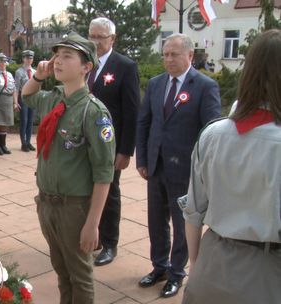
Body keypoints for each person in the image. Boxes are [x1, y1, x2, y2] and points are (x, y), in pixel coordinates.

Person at [181, 29, 281, 304]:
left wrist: (197, 266)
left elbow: (193, 211)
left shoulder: (212, 134)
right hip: (267, 272)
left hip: (212, 263)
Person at [22, 32, 115, 304]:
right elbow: (27, 97)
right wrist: (39, 76)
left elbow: (103, 174)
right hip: (47, 204)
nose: (58, 61)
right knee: (62, 271)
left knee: (80, 276)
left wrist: (93, 224)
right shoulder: (55, 98)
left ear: (86, 67)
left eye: (67, 56)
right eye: (57, 55)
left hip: (75, 208)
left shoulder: (93, 112)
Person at [135, 33, 221, 298]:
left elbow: (211, 131)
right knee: (156, 220)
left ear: (190, 56)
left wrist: (202, 171)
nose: (168, 59)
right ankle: (159, 266)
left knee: (183, 224)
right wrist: (142, 160)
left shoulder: (204, 86)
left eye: (174, 54)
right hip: (156, 164)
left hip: (185, 170)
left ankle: (176, 273)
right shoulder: (156, 84)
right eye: (165, 54)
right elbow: (144, 122)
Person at [87, 17, 140, 267]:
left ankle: (109, 243)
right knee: (85, 191)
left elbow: (131, 111)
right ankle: (92, 237)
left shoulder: (125, 66)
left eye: (101, 37)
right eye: (92, 36)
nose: (95, 42)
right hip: (82, 144)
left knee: (109, 193)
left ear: (112, 39)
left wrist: (126, 150)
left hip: (110, 145)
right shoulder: (84, 63)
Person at [15, 49, 37, 152]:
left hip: (32, 98)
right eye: (27, 58)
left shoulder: (35, 72)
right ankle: (23, 143)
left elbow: (37, 86)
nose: (29, 60)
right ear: (23, 59)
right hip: (23, 98)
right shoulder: (19, 72)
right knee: (24, 121)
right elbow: (16, 88)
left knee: (30, 121)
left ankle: (28, 142)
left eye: (31, 58)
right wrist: (15, 102)